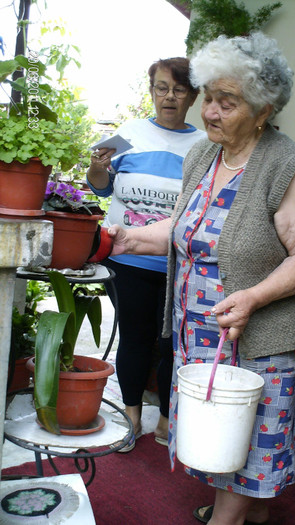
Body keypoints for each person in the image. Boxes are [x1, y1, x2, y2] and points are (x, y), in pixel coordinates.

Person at [106, 32, 295, 525]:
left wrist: (254, 296)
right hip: (204, 333)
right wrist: (127, 237)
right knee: (222, 433)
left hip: (261, 339)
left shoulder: (287, 167)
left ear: (262, 108)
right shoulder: (203, 157)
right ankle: (249, 511)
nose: (208, 111)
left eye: (225, 102)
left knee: (249, 435)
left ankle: (228, 518)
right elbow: (188, 227)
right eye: (208, 97)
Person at [86, 57, 206, 452]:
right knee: (135, 337)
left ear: (192, 95)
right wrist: (96, 167)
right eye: (161, 87)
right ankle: (132, 416)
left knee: (174, 343)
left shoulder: (204, 146)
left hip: (179, 264)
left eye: (179, 89)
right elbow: (102, 188)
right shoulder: (130, 133)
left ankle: (168, 421)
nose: (169, 96)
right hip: (127, 260)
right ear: (151, 90)